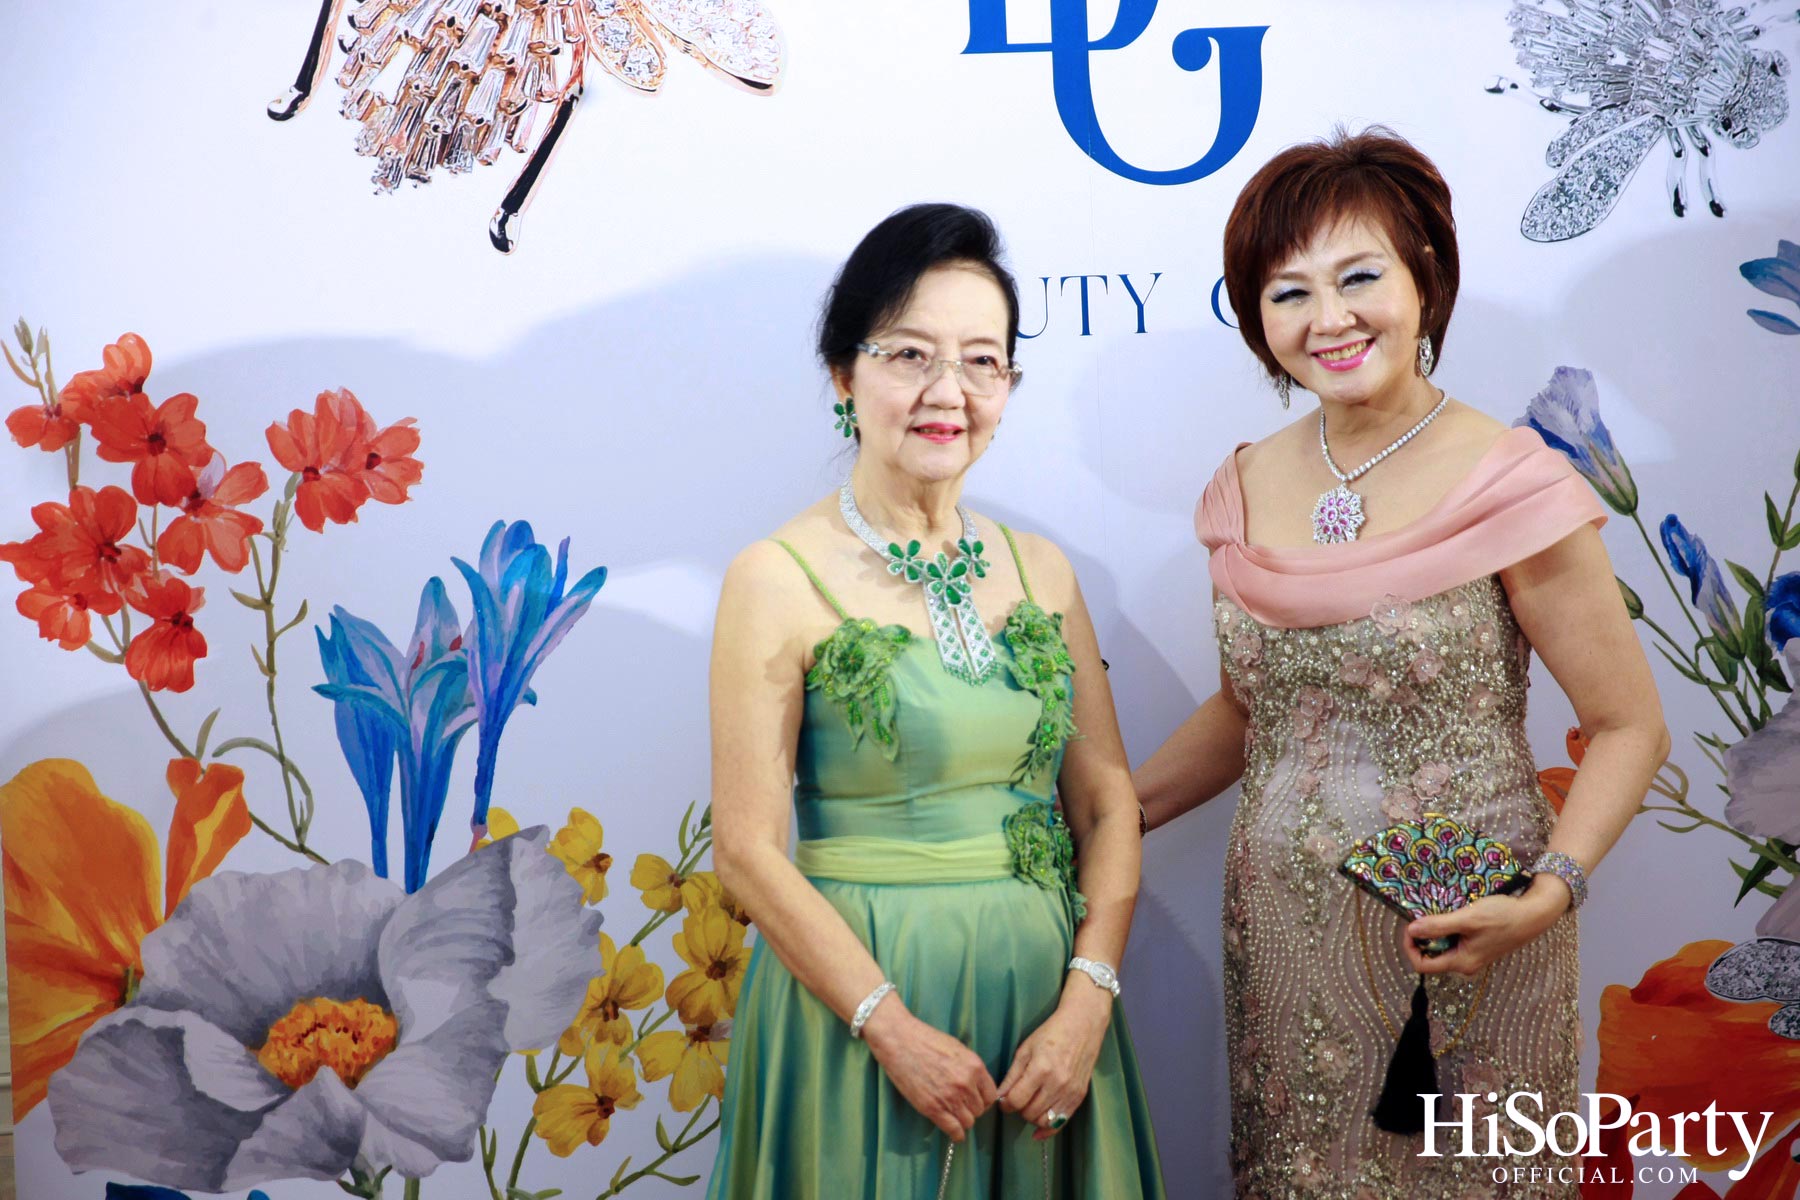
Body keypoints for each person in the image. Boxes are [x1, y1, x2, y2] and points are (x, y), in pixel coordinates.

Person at [1133, 130, 1669, 1198]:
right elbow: (1253, 713)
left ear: (1426, 274)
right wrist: (1111, 815)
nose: (1327, 318)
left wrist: (1549, 894)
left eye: (1359, 276)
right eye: (1288, 292)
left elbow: (1628, 725)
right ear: (1255, 320)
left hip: (1478, 934)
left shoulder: (1511, 479)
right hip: (1286, 941)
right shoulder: (1240, 487)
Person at [706, 203, 1165, 1199]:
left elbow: (1105, 805)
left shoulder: (1041, 568)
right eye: (910, 355)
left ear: (1009, 384)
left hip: (1043, 1016)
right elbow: (744, 847)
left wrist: (1087, 1001)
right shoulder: (774, 577)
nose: (946, 392)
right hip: (858, 1016)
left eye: (981, 362)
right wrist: (890, 1026)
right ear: (846, 374)